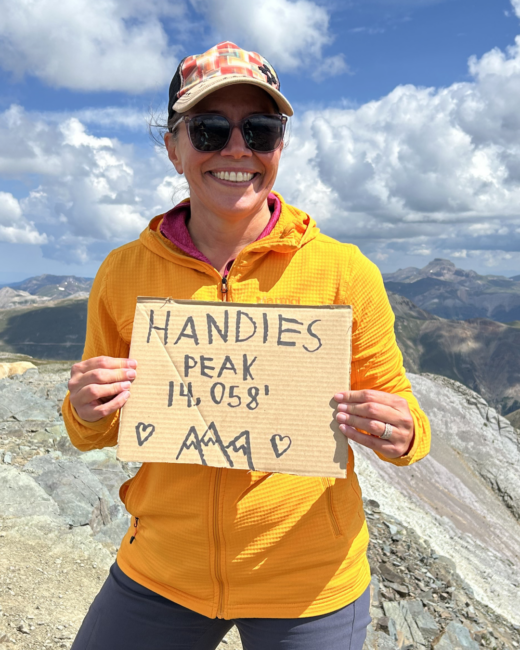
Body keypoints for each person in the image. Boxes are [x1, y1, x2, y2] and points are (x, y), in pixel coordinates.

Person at [65, 41, 431, 650]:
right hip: (161, 572)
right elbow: (95, 432)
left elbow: (409, 425)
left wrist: (403, 433)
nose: (238, 149)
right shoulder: (123, 273)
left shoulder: (346, 272)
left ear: (279, 146)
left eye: (260, 130)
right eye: (209, 129)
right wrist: (84, 409)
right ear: (173, 146)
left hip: (310, 584)